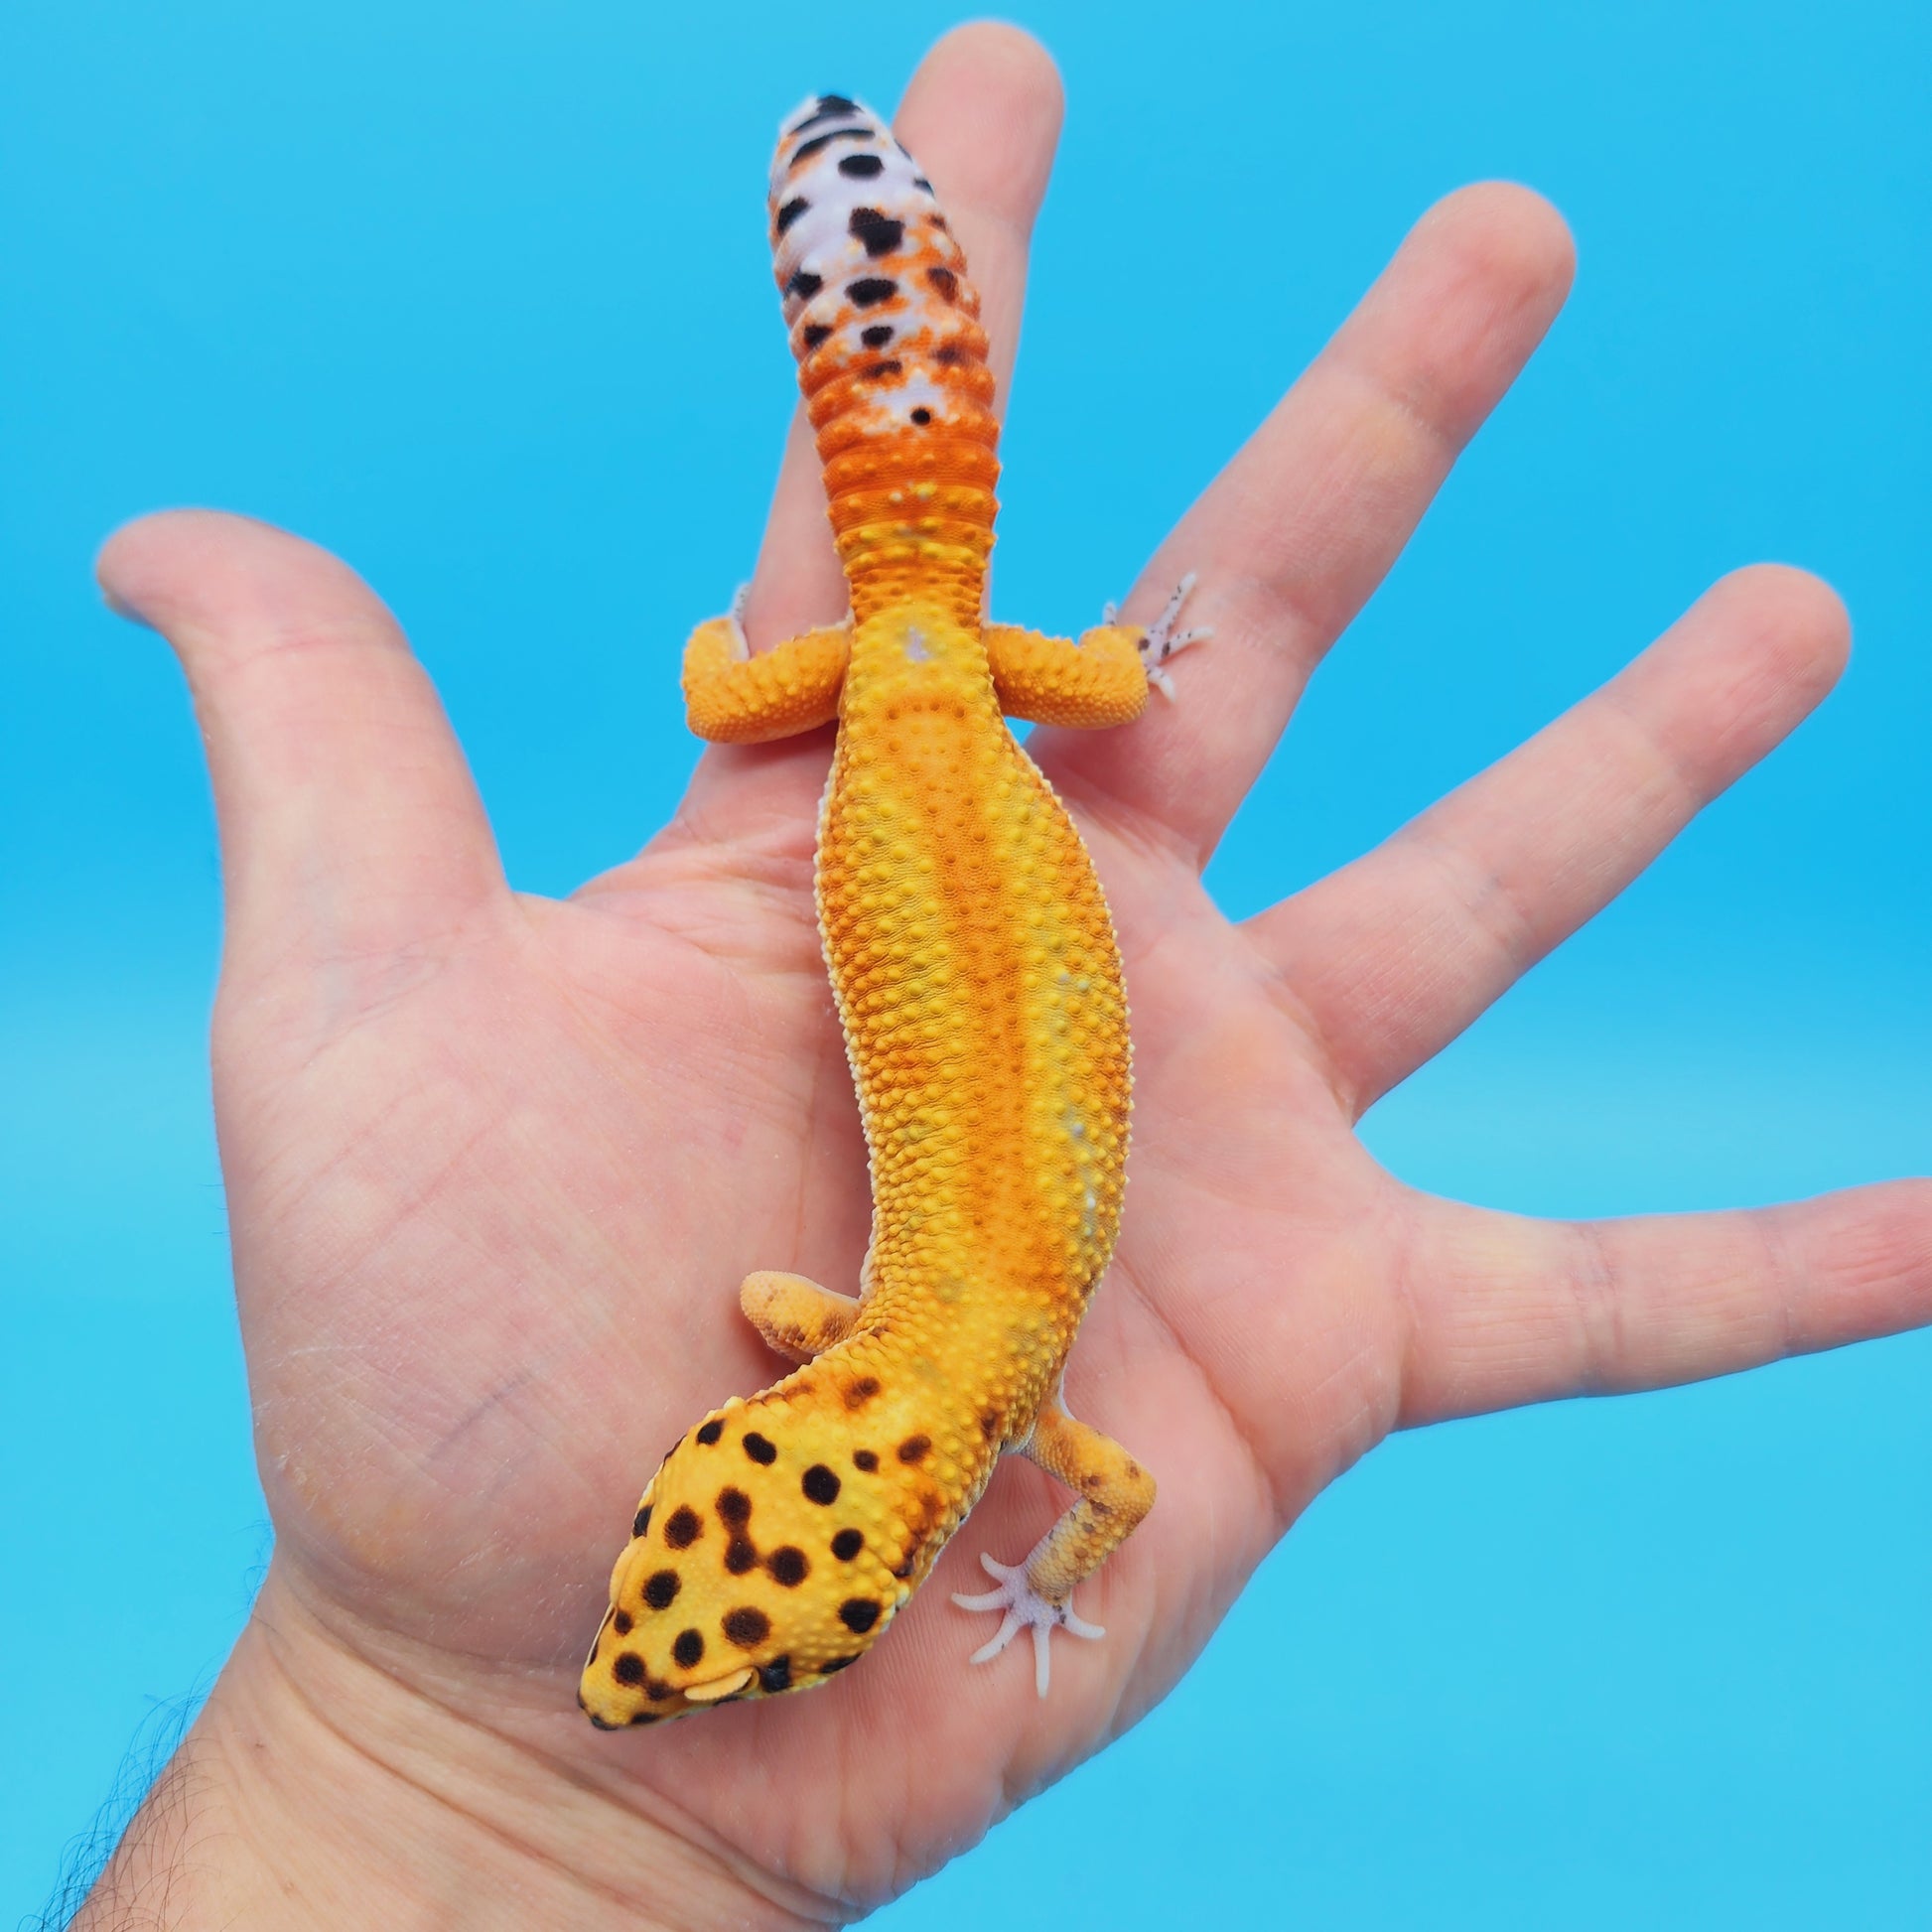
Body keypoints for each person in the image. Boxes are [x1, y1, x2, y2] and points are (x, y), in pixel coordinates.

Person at [71, 22, 1930, 1929]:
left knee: (949, 652)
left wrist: (1043, 1575)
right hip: (922, 690)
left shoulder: (1029, 1417)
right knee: (747, 679)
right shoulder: (870, 1348)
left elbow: (1097, 1492)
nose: (622, 1671)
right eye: (714, 1645)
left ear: (748, 1455)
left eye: (660, 1593)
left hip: (932, 694)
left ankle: (889, 324)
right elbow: (783, 1302)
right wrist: (731, 678)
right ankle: (847, 368)